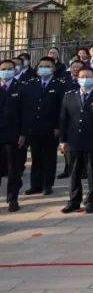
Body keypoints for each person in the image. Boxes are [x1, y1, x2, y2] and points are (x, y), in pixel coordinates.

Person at [59, 68, 93, 214]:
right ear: (77, 79)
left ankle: (92, 201)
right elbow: (63, 120)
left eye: (88, 76)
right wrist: (63, 140)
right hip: (74, 140)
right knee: (74, 172)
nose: (85, 79)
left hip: (92, 141)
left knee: (92, 171)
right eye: (82, 77)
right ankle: (74, 201)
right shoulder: (69, 96)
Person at [22, 57, 65, 196]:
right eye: (41, 66)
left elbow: (62, 109)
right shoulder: (31, 84)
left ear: (53, 68)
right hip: (34, 127)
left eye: (47, 66)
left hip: (51, 128)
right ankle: (36, 185)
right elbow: (27, 107)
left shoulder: (59, 85)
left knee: (49, 158)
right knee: (36, 157)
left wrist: (58, 127)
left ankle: (47, 185)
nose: (44, 68)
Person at [0, 60, 24, 211]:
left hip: (13, 135)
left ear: (15, 71)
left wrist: (23, 133)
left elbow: (25, 113)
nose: (6, 71)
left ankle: (13, 198)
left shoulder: (20, 88)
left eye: (9, 69)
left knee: (12, 168)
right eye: (3, 69)